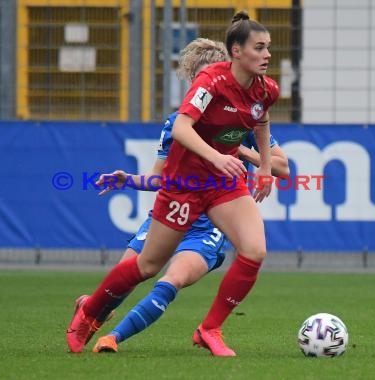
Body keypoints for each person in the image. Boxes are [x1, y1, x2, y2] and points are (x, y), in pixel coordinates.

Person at [66, 10, 279, 357]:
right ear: (236, 51)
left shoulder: (266, 88)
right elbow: (182, 127)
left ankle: (210, 329)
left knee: (254, 250)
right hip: (184, 184)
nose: (268, 55)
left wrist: (266, 168)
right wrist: (218, 156)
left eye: (268, 47)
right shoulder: (210, 81)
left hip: (222, 184)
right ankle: (89, 312)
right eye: (260, 47)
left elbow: (262, 121)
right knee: (147, 266)